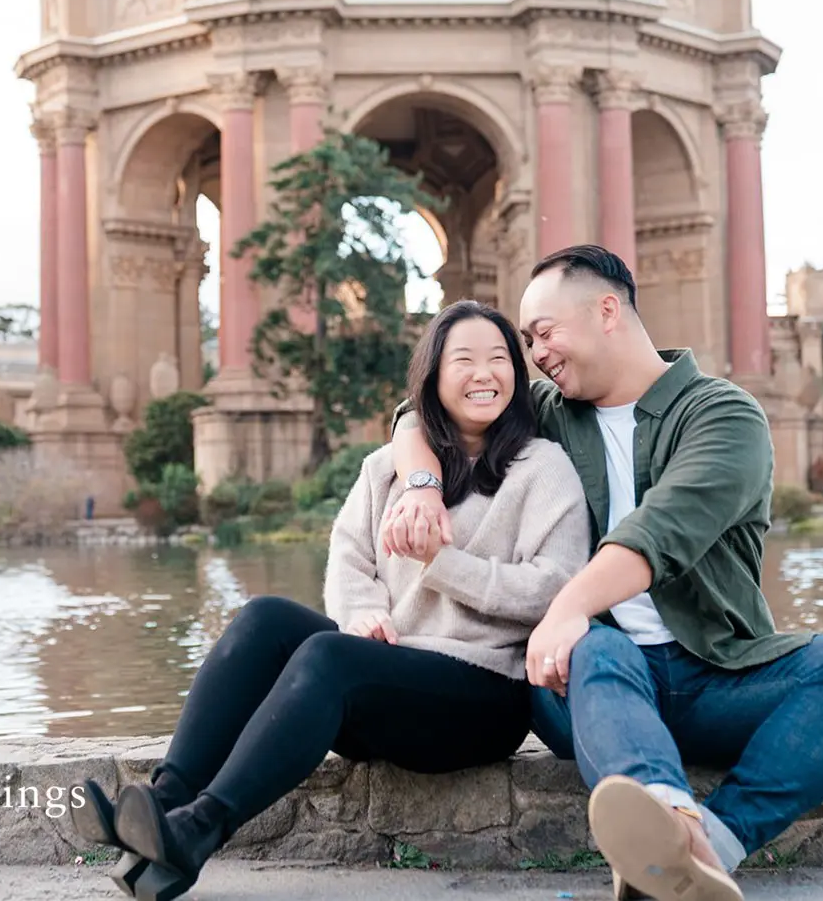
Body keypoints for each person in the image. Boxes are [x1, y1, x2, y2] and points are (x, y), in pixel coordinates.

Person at [383, 246, 823, 901]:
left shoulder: (723, 415)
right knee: (600, 646)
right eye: (530, 341)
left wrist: (567, 601)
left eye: (543, 333)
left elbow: (661, 533)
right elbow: (421, 412)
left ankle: (710, 839)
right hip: (585, 686)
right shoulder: (548, 413)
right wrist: (422, 486)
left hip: (715, 676)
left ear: (605, 311)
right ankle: (661, 818)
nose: (535, 353)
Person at [72, 300, 592, 901]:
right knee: (265, 616)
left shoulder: (541, 467)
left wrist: (443, 566)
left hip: (483, 694)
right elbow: (349, 556)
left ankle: (198, 830)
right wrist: (361, 614)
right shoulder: (388, 468)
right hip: (389, 676)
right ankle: (165, 802)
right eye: (465, 360)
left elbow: (554, 589)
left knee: (327, 657)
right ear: (433, 376)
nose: (485, 374)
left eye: (500, 359)